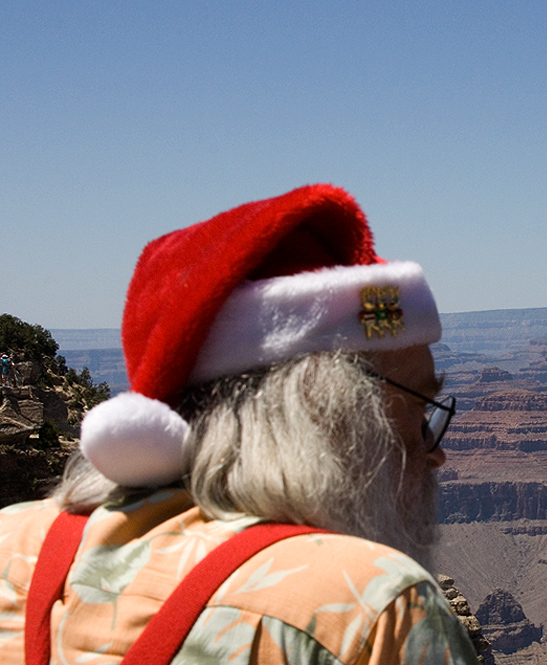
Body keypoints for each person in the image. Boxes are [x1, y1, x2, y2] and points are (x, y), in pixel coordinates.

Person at [0, 185, 477, 665]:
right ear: (331, 415)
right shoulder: (371, 610)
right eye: (420, 409)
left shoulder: (11, 543)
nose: (435, 452)